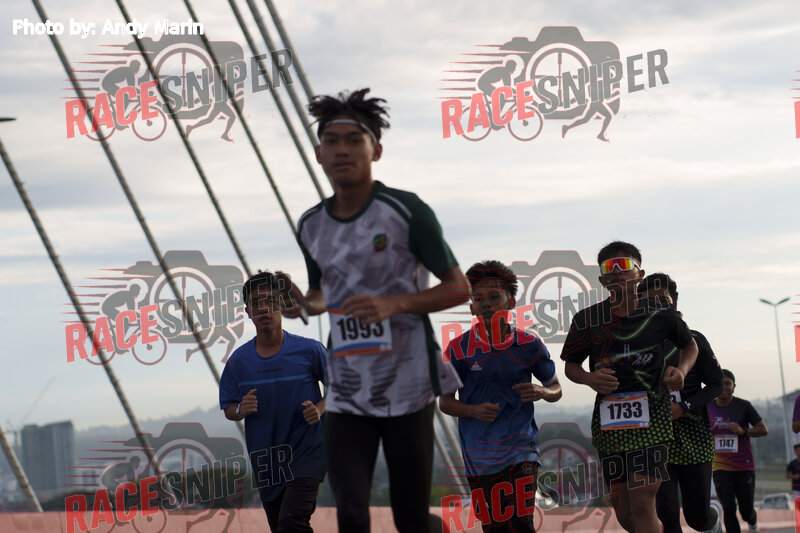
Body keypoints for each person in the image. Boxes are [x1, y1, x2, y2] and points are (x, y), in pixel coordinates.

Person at [283, 88, 471, 533]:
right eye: (331, 141)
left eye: (354, 140)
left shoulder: (406, 211)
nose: (342, 150)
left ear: (376, 150)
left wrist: (395, 303)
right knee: (350, 512)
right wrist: (304, 304)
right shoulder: (310, 225)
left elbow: (458, 288)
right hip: (347, 384)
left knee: (411, 518)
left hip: (408, 380)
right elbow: (321, 293)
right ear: (318, 153)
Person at [561, 241, 698, 533]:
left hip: (654, 418)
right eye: (608, 268)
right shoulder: (586, 319)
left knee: (642, 504)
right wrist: (589, 378)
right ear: (602, 279)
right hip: (610, 423)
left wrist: (682, 370)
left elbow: (690, 346)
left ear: (639, 274)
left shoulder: (661, 314)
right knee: (623, 511)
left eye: (624, 266)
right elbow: (571, 366)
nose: (617, 273)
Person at [439, 260, 562, 532]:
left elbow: (556, 388)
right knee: (495, 528)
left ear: (511, 301)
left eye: (494, 297)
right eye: (478, 299)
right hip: (479, 458)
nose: (485, 304)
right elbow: (444, 401)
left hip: (522, 451)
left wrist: (542, 391)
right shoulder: (457, 349)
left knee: (520, 522)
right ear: (472, 307)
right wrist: (472, 410)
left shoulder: (529, 345)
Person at [219, 271, 327, 533]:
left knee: (292, 523)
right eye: (256, 302)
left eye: (270, 300)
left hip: (307, 452)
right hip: (267, 462)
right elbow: (229, 408)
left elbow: (341, 386)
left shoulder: (310, 350)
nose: (264, 308)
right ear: (247, 311)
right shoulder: (237, 362)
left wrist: (320, 408)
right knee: (281, 527)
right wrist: (241, 409)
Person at [641, 273, 724, 533]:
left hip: (693, 437)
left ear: (674, 304)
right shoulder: (636, 345)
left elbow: (717, 385)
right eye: (648, 303)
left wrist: (684, 407)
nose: (656, 307)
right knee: (666, 513)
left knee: (697, 518)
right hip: (655, 438)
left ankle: (712, 519)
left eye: (662, 301)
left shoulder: (694, 340)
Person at [707, 369, 768, 533]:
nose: (724, 387)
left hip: (744, 467)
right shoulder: (707, 407)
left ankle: (752, 523)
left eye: (728, 383)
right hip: (720, 467)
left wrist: (744, 431)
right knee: (728, 507)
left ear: (734, 386)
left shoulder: (744, 406)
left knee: (746, 511)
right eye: (721, 383)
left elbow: (763, 429)